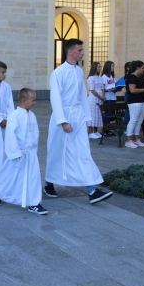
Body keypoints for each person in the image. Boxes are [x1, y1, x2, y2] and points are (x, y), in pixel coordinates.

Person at [44, 39, 112, 204]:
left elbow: (82, 95)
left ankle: (92, 190)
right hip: (64, 117)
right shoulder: (57, 73)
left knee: (82, 152)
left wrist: (86, 118)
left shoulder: (79, 71)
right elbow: (55, 98)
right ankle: (48, 183)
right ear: (70, 52)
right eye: (80, 50)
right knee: (57, 151)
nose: (83, 53)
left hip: (78, 116)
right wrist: (63, 121)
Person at [0, 88, 47, 215]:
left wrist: (34, 150)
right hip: (18, 153)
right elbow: (10, 135)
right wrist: (15, 153)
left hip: (30, 153)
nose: (35, 103)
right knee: (9, 174)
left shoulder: (32, 115)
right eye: (33, 100)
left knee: (34, 177)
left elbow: (35, 134)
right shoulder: (14, 115)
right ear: (24, 100)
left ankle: (34, 203)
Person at [124, 61, 144, 148]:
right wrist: (143, 90)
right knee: (133, 120)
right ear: (138, 68)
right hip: (134, 101)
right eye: (142, 68)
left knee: (139, 120)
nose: (143, 70)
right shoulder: (132, 77)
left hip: (142, 101)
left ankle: (136, 138)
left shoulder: (140, 77)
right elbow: (132, 90)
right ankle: (128, 139)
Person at [87, 62, 104, 139]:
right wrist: (100, 96)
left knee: (98, 114)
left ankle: (96, 131)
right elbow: (92, 89)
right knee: (92, 115)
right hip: (93, 99)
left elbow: (102, 88)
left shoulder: (100, 78)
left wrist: (103, 96)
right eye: (98, 67)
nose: (99, 69)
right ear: (94, 68)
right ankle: (90, 132)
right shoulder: (91, 78)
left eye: (100, 67)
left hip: (100, 98)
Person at [101, 61, 117, 136]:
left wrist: (117, 88)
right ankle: (105, 130)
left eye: (113, 66)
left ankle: (108, 129)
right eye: (112, 66)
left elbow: (114, 84)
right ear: (108, 67)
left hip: (113, 97)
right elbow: (103, 88)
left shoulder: (112, 76)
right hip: (108, 97)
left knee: (111, 113)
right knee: (107, 113)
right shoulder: (104, 77)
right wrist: (108, 90)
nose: (113, 68)